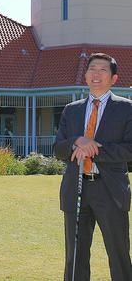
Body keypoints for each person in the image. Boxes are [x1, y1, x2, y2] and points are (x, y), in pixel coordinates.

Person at [54, 52, 132, 281]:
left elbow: (129, 148)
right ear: (85, 76)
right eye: (92, 69)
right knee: (75, 257)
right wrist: (78, 141)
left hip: (111, 192)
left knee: (118, 255)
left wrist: (93, 149)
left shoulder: (127, 108)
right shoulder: (71, 109)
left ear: (114, 78)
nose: (96, 74)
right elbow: (59, 148)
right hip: (76, 190)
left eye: (103, 70)